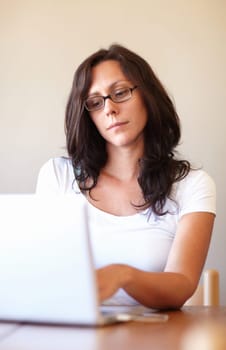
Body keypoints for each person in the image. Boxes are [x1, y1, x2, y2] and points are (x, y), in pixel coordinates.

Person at [36, 44, 216, 309]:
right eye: (96, 103)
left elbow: (181, 285)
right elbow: (43, 273)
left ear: (148, 96)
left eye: (120, 93)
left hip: (156, 339)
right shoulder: (57, 176)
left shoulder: (193, 184)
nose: (109, 109)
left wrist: (123, 275)